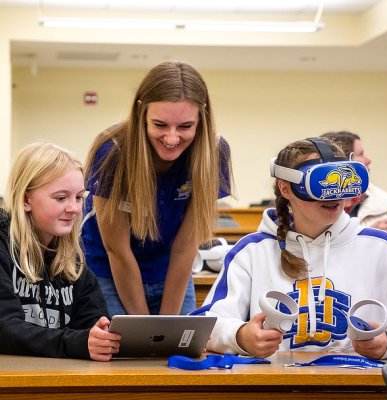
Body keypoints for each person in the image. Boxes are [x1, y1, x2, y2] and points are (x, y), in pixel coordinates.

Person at [192, 137, 387, 360]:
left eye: (340, 182)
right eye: (321, 183)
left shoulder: (385, 250)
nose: (333, 194)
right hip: (273, 386)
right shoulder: (252, 252)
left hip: (359, 387)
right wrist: (241, 336)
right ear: (286, 189)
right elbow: (206, 326)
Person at [82, 61, 232, 317]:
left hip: (170, 269)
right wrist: (148, 330)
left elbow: (185, 247)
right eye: (160, 125)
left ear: (201, 117)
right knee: (128, 351)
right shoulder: (111, 151)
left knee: (174, 350)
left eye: (185, 126)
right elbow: (117, 250)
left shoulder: (213, 152)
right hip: (109, 269)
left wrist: (165, 328)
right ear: (141, 112)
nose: (172, 138)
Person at [0, 143, 120, 361]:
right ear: (27, 200)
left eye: (79, 197)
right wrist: (78, 343)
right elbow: (4, 329)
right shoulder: (3, 246)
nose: (74, 208)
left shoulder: (72, 262)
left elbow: (92, 322)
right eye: (61, 198)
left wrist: (102, 336)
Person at [321, 131, 387, 238]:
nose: (368, 160)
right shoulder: (313, 208)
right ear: (344, 161)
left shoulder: (386, 204)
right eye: (361, 154)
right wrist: (367, 236)